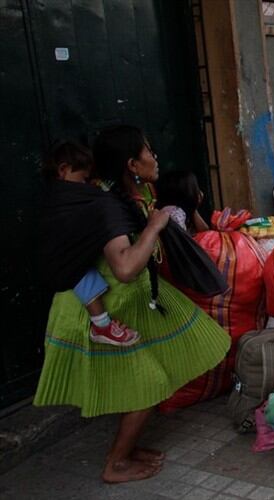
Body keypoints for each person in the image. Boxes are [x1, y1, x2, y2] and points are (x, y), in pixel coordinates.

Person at [34, 125, 231, 484]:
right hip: (99, 307)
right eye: (148, 152)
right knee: (148, 384)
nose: (155, 157)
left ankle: (126, 449)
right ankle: (116, 463)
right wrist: (156, 226)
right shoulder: (107, 206)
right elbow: (124, 267)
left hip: (132, 302)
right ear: (131, 164)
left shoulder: (134, 191)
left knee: (159, 373)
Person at [39, 142, 140, 347]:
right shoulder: (61, 200)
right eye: (84, 179)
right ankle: (101, 324)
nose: (87, 187)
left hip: (68, 267)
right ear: (64, 170)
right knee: (82, 275)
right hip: (63, 265)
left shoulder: (65, 198)